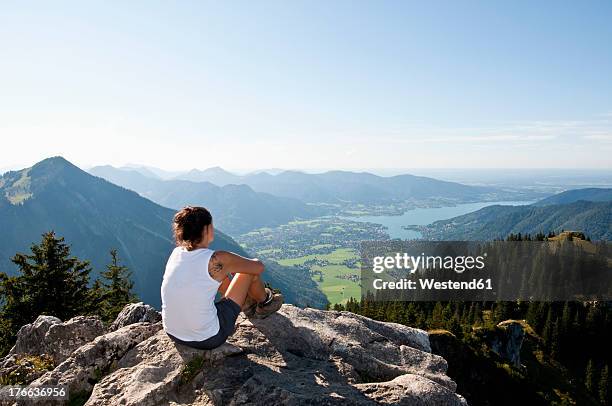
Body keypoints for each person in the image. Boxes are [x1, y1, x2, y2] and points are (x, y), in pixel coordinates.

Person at [161, 206, 283, 350]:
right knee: (247, 272)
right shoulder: (217, 259)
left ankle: (246, 304)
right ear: (206, 229)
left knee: (213, 276)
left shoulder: (176, 253)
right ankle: (265, 303)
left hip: (173, 333)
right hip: (208, 338)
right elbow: (258, 267)